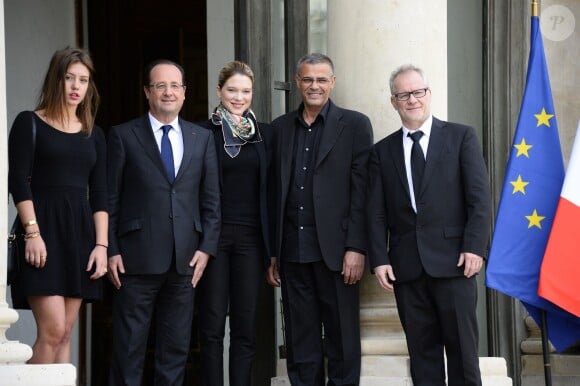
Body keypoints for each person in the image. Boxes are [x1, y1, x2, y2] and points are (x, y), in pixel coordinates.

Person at [367, 64, 491, 386]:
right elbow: (376, 211)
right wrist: (380, 257)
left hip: (455, 264)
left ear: (429, 94)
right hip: (407, 269)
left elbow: (479, 198)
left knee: (463, 358)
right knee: (423, 360)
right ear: (393, 101)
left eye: (418, 92)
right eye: (403, 94)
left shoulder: (461, 137)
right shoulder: (382, 151)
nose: (412, 99)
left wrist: (475, 247)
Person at [106, 59, 221, 386]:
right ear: (147, 92)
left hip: (186, 261)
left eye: (174, 86)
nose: (168, 92)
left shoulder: (202, 138)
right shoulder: (123, 135)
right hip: (134, 260)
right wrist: (111, 249)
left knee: (175, 351)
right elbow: (110, 199)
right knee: (128, 349)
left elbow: (211, 200)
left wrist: (207, 248)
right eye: (160, 85)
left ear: (185, 93)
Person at [268, 53, 373, 386]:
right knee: (301, 343)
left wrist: (356, 246)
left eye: (321, 79)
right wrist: (274, 251)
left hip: (338, 253)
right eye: (308, 79)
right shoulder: (281, 128)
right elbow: (273, 192)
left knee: (342, 340)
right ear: (298, 82)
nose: (314, 86)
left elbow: (362, 193)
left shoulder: (355, 125)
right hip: (293, 252)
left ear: (333, 82)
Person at [8, 47, 108, 364]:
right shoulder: (30, 123)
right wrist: (32, 233)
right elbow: (18, 181)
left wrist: (102, 245)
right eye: (69, 78)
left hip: (79, 236)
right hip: (42, 230)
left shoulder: (94, 134)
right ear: (57, 79)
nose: (76, 86)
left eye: (83, 80)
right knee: (52, 331)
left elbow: (101, 192)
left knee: (65, 333)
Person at [196, 60, 275, 386]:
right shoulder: (202, 133)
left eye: (245, 91)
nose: (239, 97)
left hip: (252, 241)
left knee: (245, 325)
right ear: (219, 91)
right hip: (213, 239)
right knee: (212, 326)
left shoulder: (265, 135)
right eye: (232, 90)